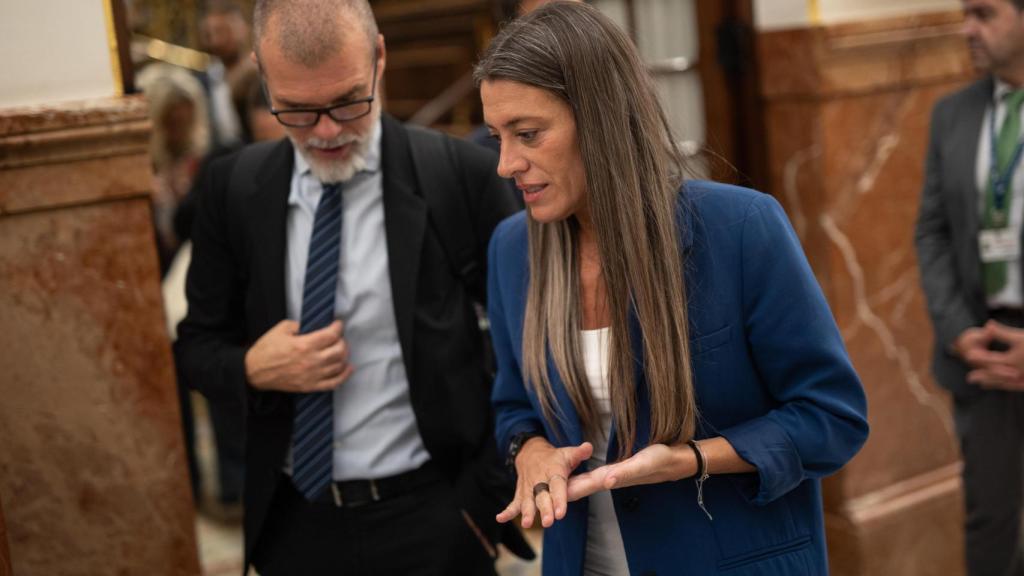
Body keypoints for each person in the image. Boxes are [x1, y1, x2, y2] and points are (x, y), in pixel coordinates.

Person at [477, 3, 870, 575]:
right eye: (497, 137)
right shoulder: (511, 250)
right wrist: (531, 451)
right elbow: (514, 404)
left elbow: (832, 420)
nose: (506, 163)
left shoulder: (740, 229)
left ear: (600, 118)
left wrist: (691, 461)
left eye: (528, 134)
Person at [174, 0, 524, 573]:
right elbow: (194, 348)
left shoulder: (458, 177)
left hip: (437, 519)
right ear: (262, 76)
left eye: (347, 102)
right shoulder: (233, 189)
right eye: (298, 111)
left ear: (379, 57)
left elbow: (528, 347)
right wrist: (251, 369)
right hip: (296, 523)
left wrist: (484, 496)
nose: (328, 131)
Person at [915, 1, 1024, 573]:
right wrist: (958, 331)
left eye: (983, 14)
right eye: (964, 13)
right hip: (982, 347)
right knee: (991, 524)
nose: (967, 29)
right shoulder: (951, 113)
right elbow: (931, 232)